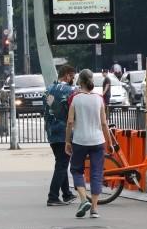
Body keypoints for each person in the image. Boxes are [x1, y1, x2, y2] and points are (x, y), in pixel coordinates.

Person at [66, 69, 114, 219]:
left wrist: (67, 141)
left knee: (76, 170)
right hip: (98, 140)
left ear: (80, 82)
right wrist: (110, 142)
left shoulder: (75, 99)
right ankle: (94, 209)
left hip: (80, 140)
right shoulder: (99, 99)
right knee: (96, 173)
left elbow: (70, 122)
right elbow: (104, 124)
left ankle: (82, 199)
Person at [43, 65, 78, 206]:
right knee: (62, 164)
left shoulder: (48, 90)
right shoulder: (71, 92)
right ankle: (52, 196)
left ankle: (67, 194)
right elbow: (73, 113)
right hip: (65, 132)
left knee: (60, 163)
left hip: (51, 132)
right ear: (67, 76)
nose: (73, 80)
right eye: (73, 77)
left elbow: (45, 109)